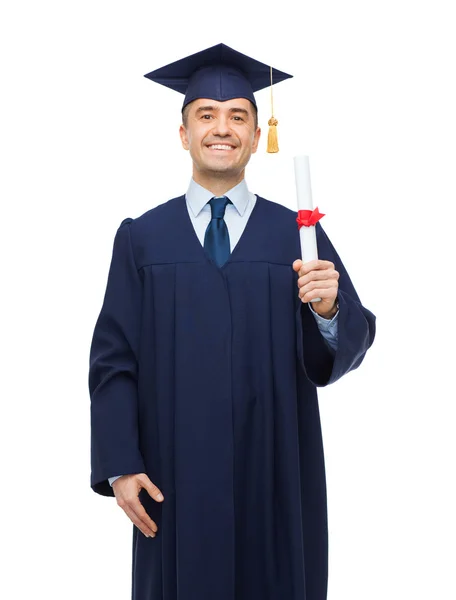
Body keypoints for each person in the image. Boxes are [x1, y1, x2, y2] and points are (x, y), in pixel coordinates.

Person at [89, 43, 376, 600]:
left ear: (255, 134)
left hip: (274, 472)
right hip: (172, 478)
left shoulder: (297, 234)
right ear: (183, 134)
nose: (222, 128)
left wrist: (328, 312)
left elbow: (353, 336)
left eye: (238, 116)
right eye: (207, 115)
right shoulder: (142, 238)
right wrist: (120, 464)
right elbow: (113, 361)